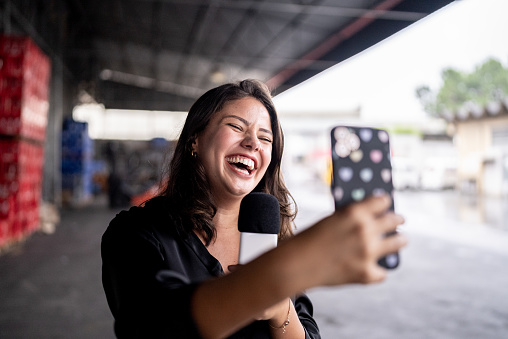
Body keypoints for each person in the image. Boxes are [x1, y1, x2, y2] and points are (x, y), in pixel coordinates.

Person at [101, 79, 407, 339]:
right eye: (236, 126)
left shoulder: (272, 239)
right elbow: (149, 325)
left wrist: (281, 310)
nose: (253, 143)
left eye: (265, 137)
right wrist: (272, 278)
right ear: (195, 139)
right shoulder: (137, 231)